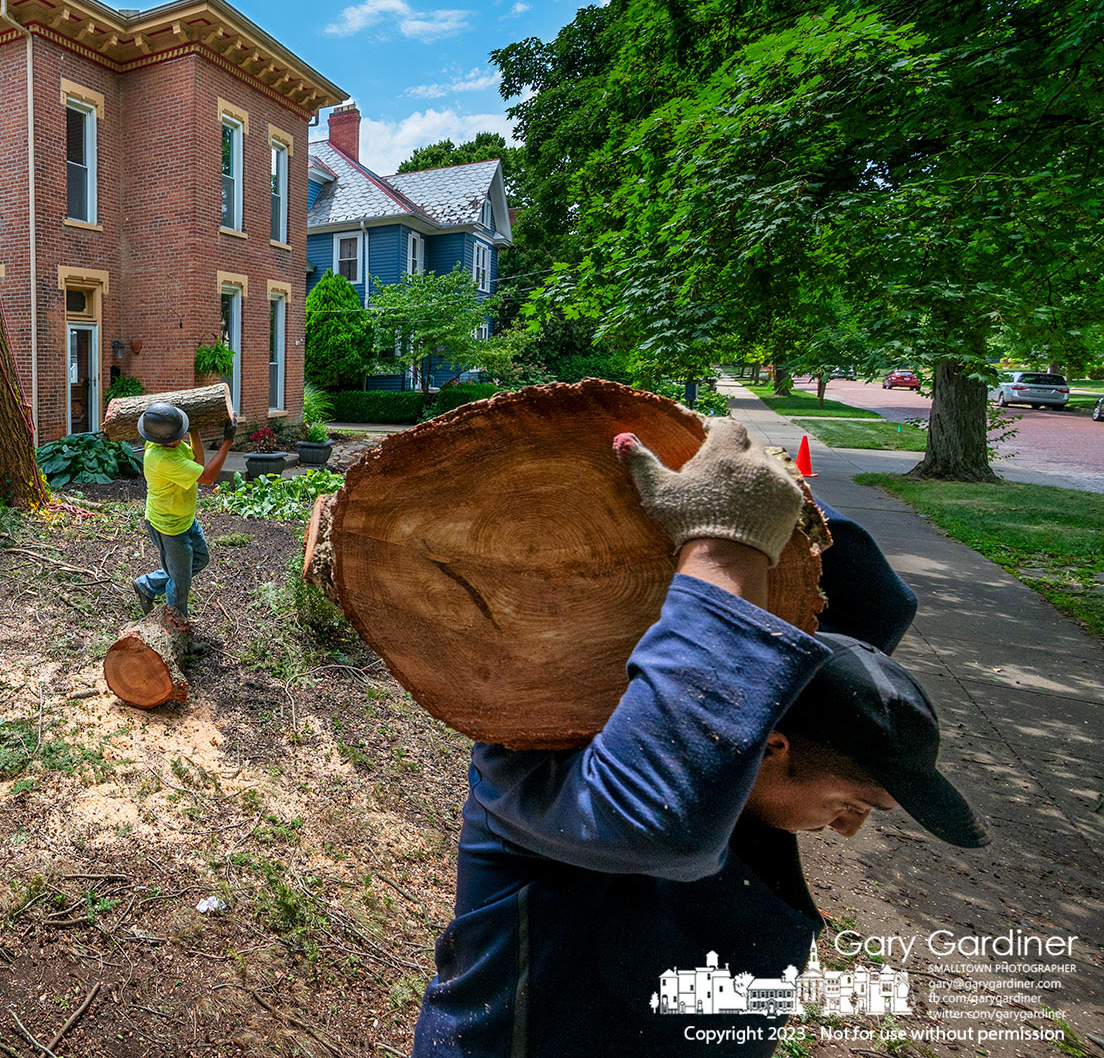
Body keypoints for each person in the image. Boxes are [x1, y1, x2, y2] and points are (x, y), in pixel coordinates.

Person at [413, 418, 989, 1057]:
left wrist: (769, 498)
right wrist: (724, 546)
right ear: (772, 748)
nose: (849, 827)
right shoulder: (534, 772)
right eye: (853, 803)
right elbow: (659, 824)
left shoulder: (746, 736)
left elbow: (876, 604)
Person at [132, 400, 234, 627]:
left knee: (200, 559)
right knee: (180, 585)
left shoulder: (170, 445)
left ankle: (147, 585)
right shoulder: (163, 458)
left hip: (184, 519)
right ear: (170, 437)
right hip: (169, 527)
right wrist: (227, 443)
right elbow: (207, 477)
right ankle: (177, 632)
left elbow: (197, 462)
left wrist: (193, 430)